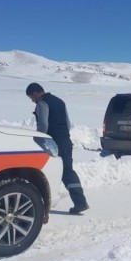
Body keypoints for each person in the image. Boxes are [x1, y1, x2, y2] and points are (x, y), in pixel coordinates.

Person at [26, 83, 89, 214]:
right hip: (65, 141)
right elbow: (67, 123)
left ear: (35, 93)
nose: (32, 100)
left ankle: (41, 203)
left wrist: (39, 139)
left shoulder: (42, 103)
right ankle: (80, 202)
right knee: (67, 171)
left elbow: (43, 124)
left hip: (52, 143)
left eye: (31, 97)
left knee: (45, 170)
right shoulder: (60, 101)